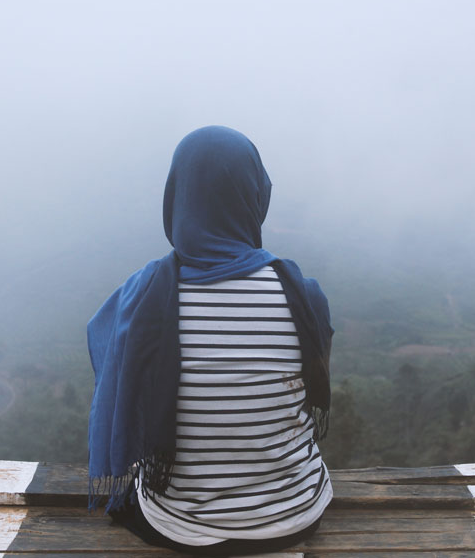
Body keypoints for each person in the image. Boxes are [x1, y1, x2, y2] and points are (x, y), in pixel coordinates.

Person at [87, 126, 334, 555]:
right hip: (295, 516)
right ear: (255, 195)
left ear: (177, 195)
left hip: (181, 526)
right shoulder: (301, 293)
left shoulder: (144, 294)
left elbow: (107, 357)